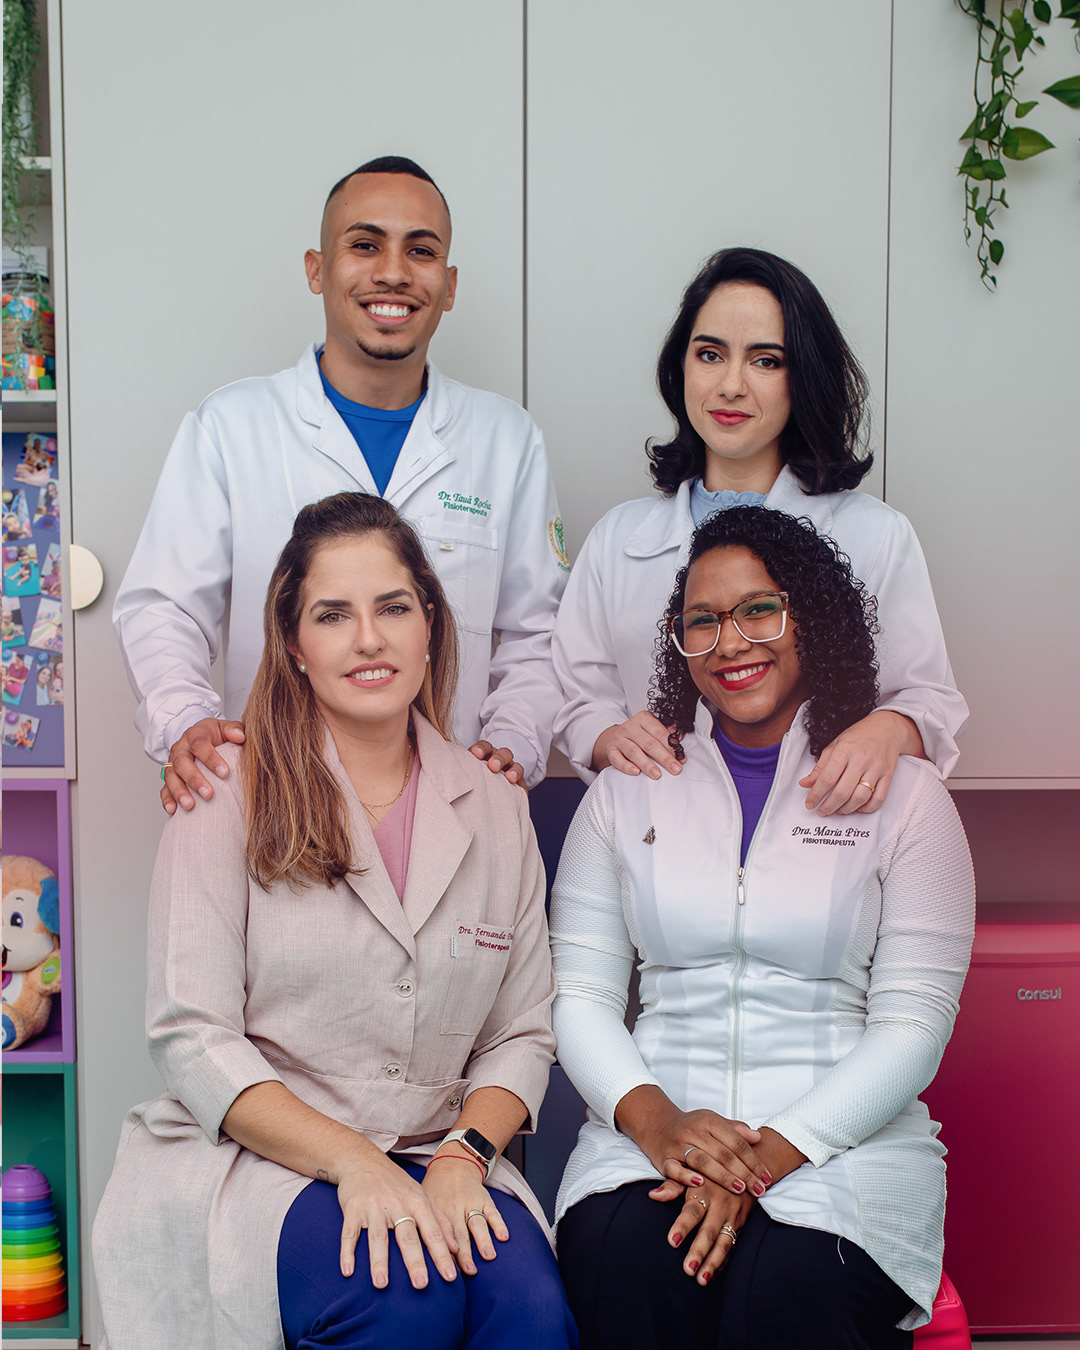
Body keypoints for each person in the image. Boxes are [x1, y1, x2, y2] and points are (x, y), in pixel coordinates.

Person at [93, 493, 577, 1350]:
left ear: (430, 623)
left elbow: (522, 1033)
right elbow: (190, 1032)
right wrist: (354, 1161)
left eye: (393, 607)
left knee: (530, 1314)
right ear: (294, 644)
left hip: (442, 1150)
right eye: (332, 615)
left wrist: (465, 1154)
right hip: (263, 1159)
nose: (369, 639)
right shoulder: (224, 790)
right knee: (400, 1300)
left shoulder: (497, 807)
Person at [550, 506, 975, 1348]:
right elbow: (581, 1000)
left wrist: (764, 1159)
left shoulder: (908, 799)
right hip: (653, 1136)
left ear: (810, 618)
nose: (730, 643)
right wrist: (658, 1124)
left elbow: (914, 1028)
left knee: (782, 1299)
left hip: (842, 1144)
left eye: (758, 611)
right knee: (625, 1269)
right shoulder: (627, 792)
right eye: (701, 622)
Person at [113, 155, 567, 813]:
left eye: (421, 251)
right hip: (278, 802)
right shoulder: (232, 428)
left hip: (454, 806)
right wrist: (187, 719)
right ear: (316, 269)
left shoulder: (506, 440)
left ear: (449, 285)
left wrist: (513, 741)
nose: (393, 271)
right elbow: (163, 605)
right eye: (364, 245)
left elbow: (538, 631)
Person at [552, 247, 968, 814]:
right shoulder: (618, 540)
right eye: (710, 354)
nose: (731, 385)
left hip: (823, 829)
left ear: (804, 377)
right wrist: (605, 737)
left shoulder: (874, 535)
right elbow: (577, 697)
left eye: (765, 361)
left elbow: (928, 700)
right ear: (680, 368)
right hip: (658, 828)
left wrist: (890, 730)